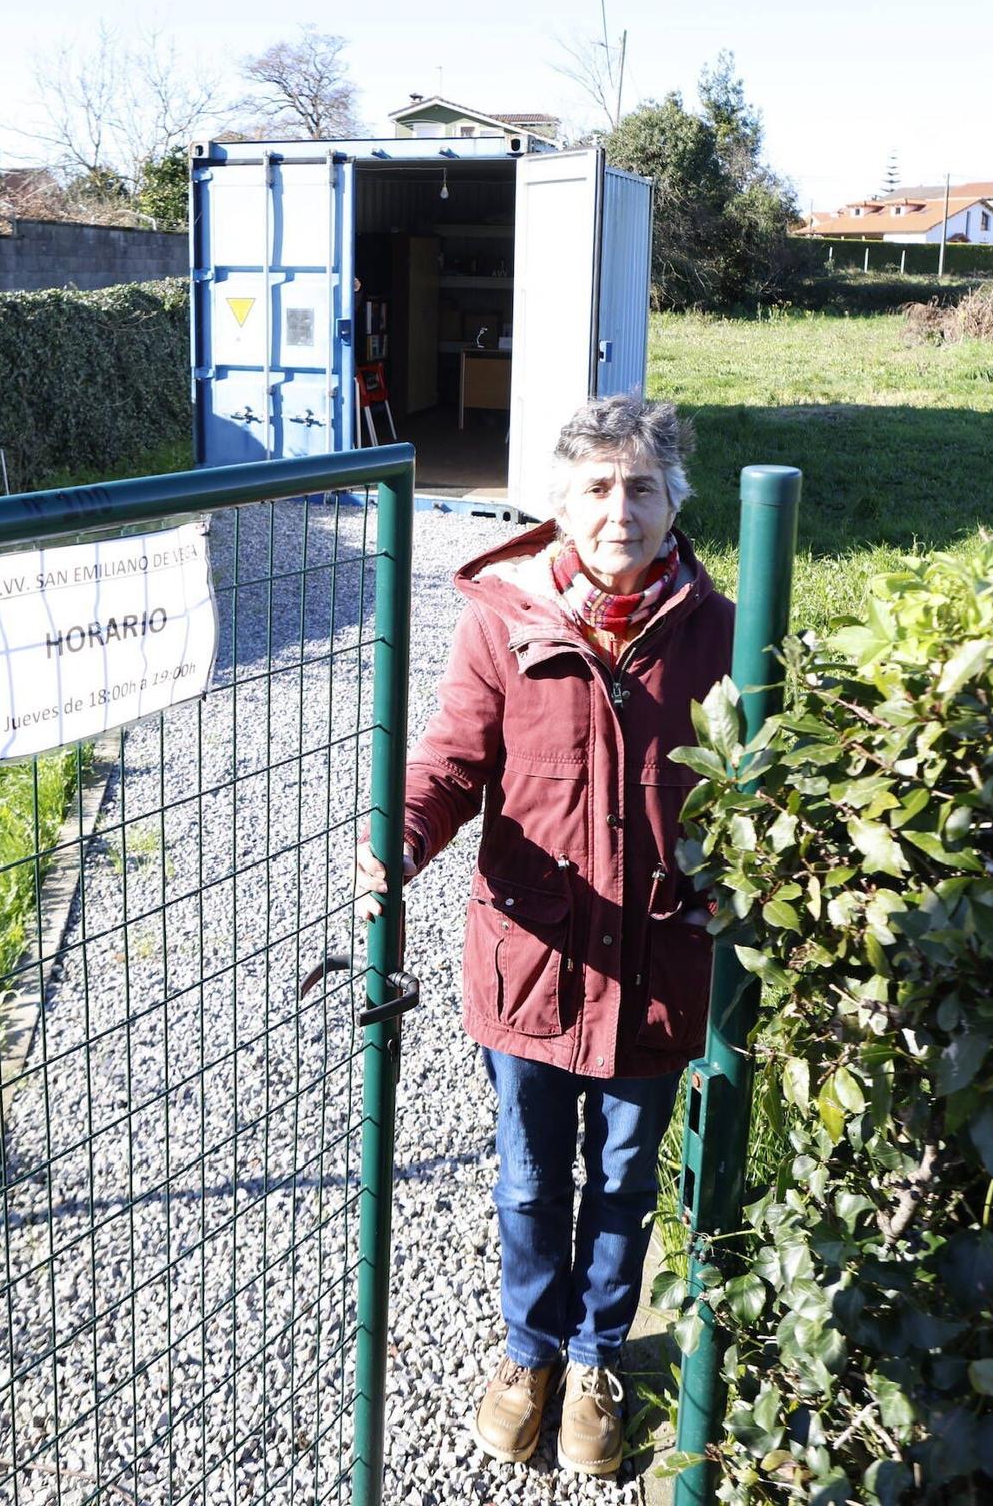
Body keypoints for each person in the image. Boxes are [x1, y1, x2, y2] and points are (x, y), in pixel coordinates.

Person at [356, 394, 734, 1475]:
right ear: (562, 505)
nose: (622, 507)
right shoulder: (504, 618)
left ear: (673, 503)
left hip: (661, 964)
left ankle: (597, 1357)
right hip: (534, 962)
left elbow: (757, 785)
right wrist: (400, 835)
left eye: (643, 486)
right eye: (599, 486)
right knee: (528, 1177)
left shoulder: (718, 629)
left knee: (623, 1177)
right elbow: (451, 760)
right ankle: (529, 1351)